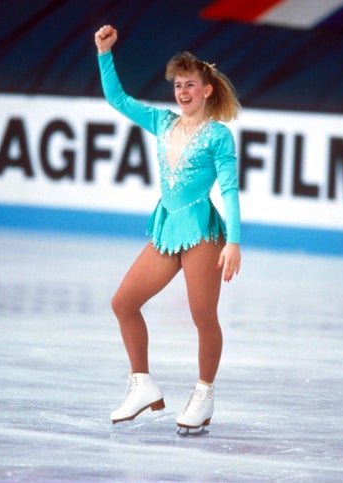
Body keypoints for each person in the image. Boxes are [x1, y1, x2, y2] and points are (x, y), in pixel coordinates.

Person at [94, 24, 241, 433]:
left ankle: (204, 394)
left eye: (190, 84)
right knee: (123, 303)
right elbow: (118, 99)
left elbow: (229, 189)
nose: (182, 92)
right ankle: (142, 384)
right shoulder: (162, 122)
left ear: (207, 89)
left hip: (203, 234)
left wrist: (234, 241)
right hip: (168, 229)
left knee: (202, 315)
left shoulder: (218, 136)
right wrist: (105, 54)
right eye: (177, 85)